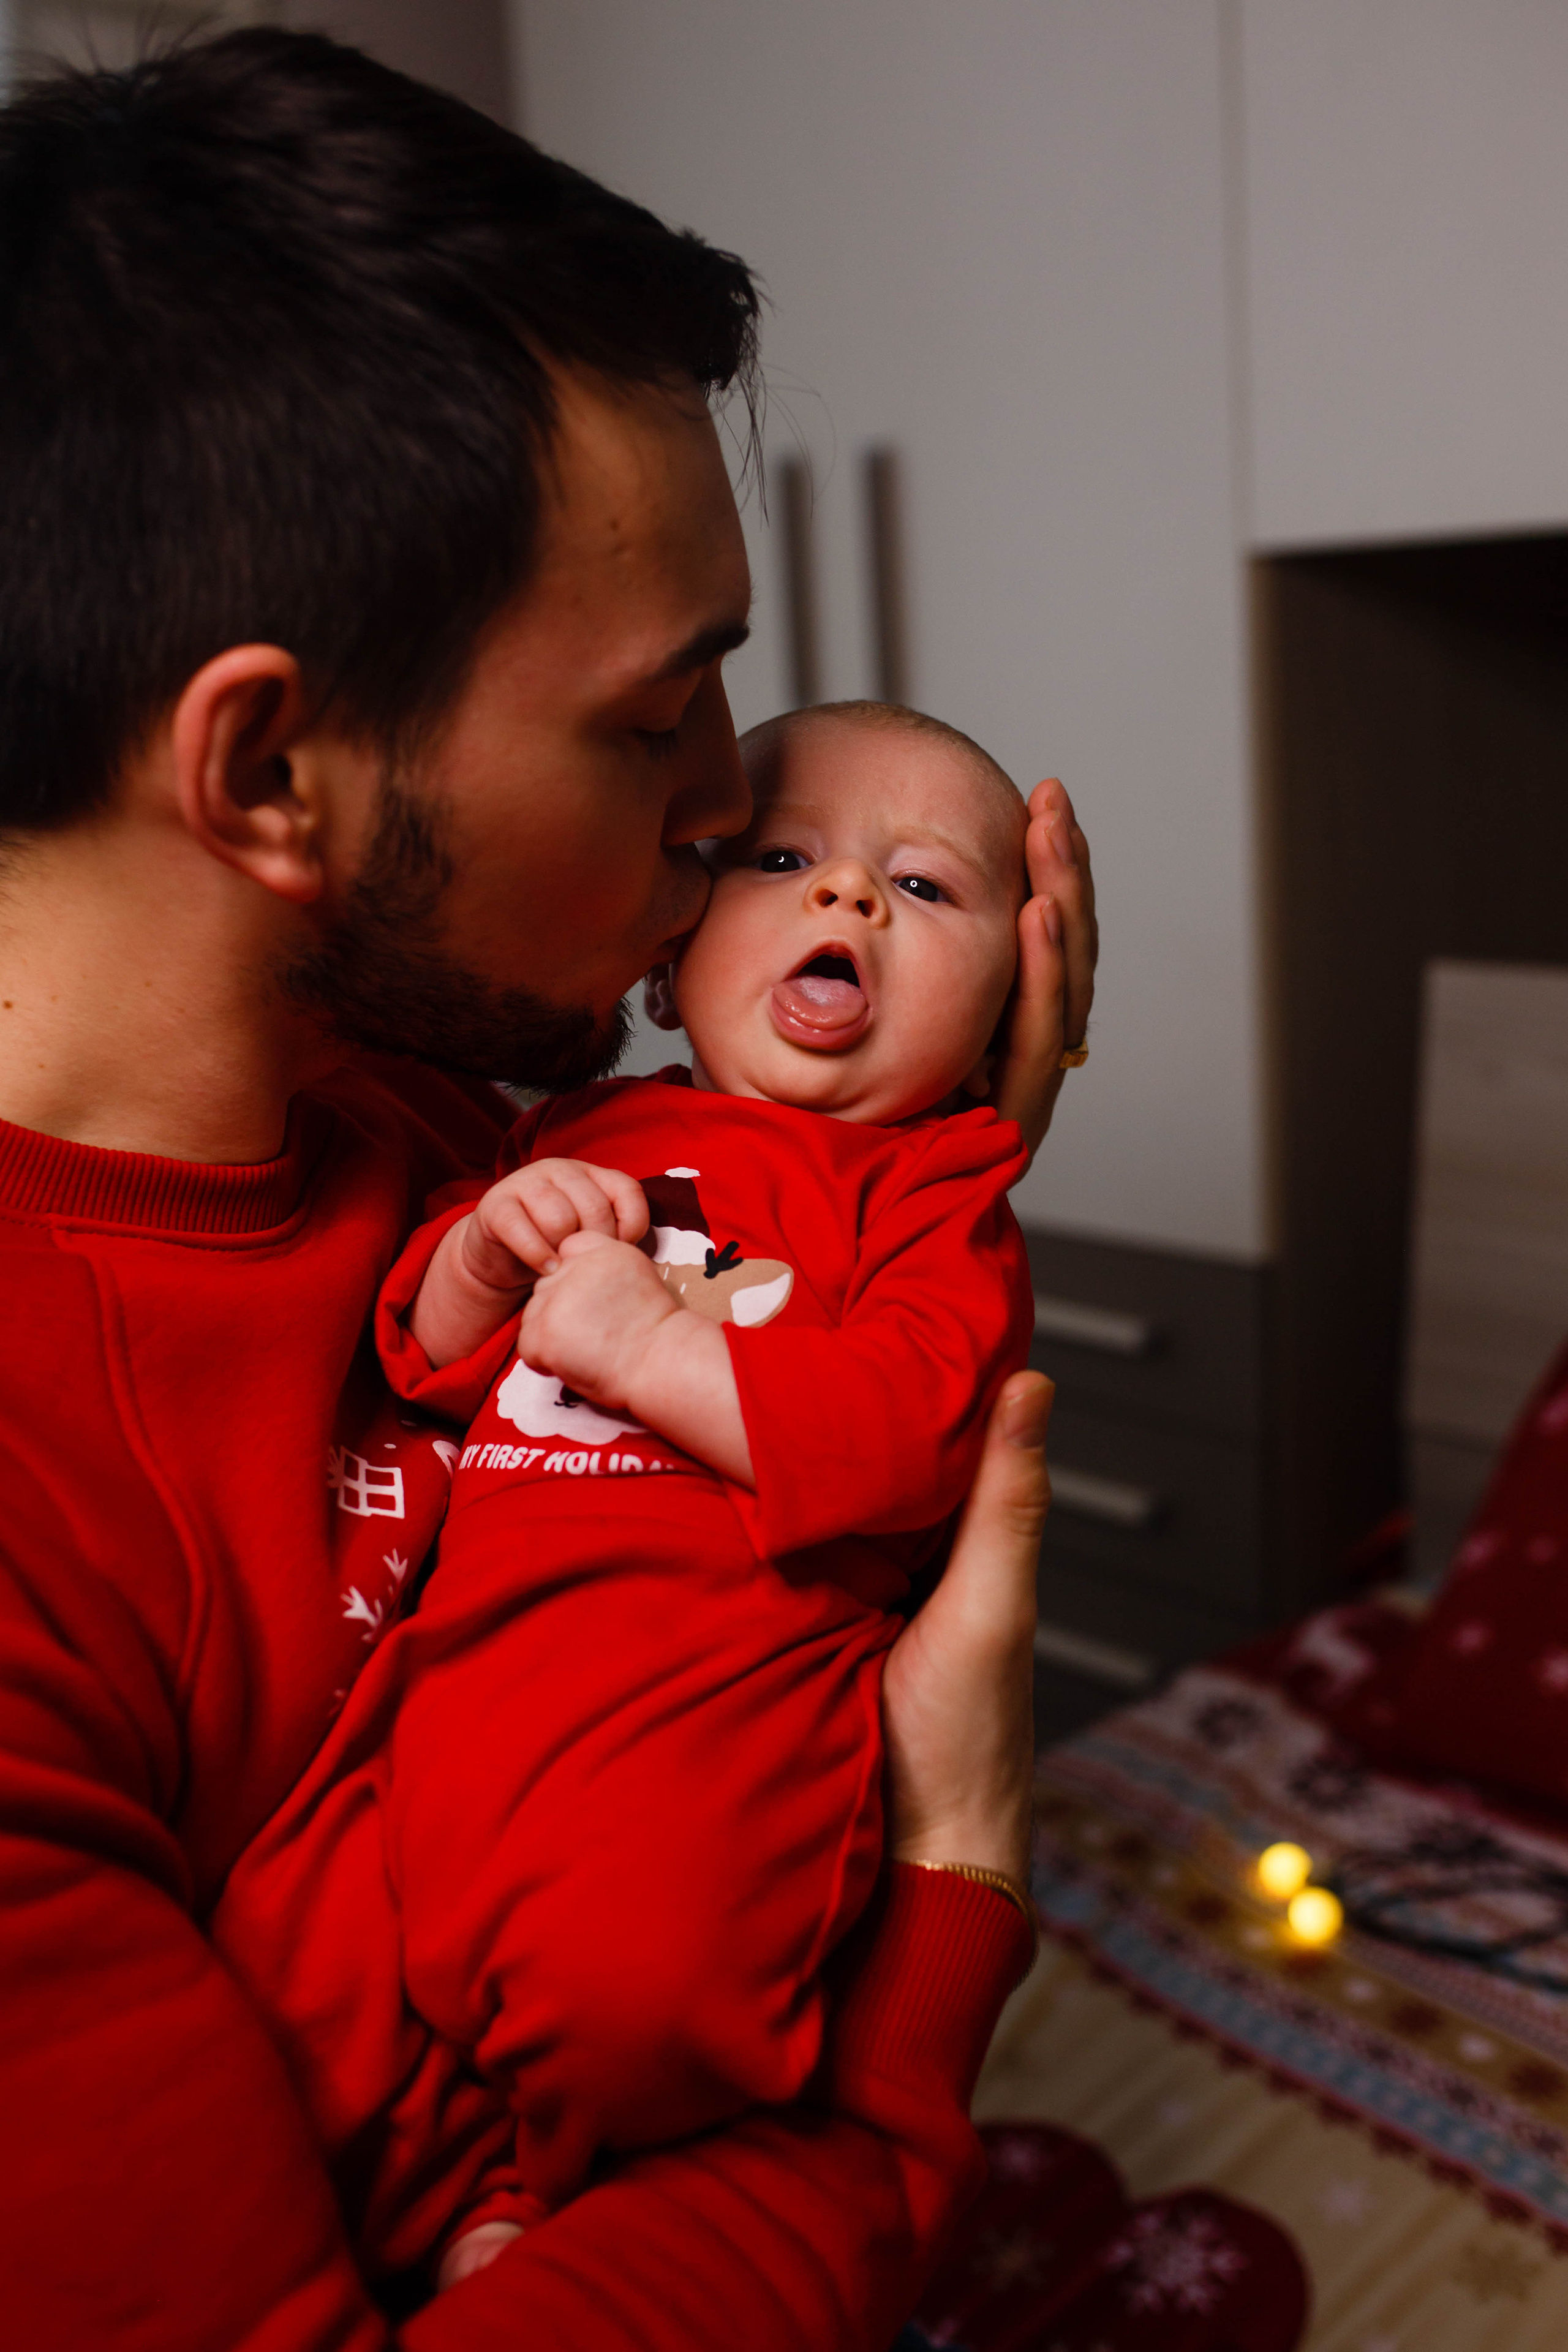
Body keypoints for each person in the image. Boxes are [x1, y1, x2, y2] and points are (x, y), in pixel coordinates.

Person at [0, 28, 1096, 2352]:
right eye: (654, 713)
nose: (728, 802)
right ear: (270, 772)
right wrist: (950, 1892)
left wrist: (901, 1148)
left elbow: (732, 1384)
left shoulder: (441, 1123)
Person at [216, 699, 1049, 2290]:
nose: (847, 895)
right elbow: (422, 1364)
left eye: (925, 886)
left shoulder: (938, 1197)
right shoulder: (577, 1127)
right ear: (668, 966)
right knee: (294, 1960)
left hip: (703, 1725)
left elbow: (908, 1439)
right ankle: (449, 2194)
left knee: (645, 1994)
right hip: (449, 1689)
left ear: (1007, 1008)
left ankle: (545, 2188)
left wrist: (652, 1350)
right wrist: (481, 1254)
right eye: (782, 860)